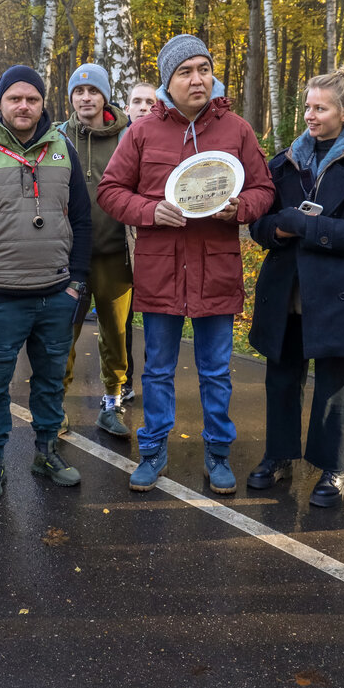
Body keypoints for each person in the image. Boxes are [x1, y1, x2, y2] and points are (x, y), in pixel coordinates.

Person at [99, 35, 274, 495]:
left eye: (203, 68)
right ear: (167, 82)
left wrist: (239, 208)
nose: (197, 79)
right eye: (185, 72)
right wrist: (149, 211)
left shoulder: (236, 129)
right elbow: (110, 190)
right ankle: (153, 449)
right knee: (157, 370)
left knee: (216, 370)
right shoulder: (141, 132)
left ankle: (218, 452)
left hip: (216, 269)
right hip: (160, 271)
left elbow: (264, 190)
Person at [0, 64, 92, 500]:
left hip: (55, 293)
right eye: (15, 98)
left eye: (31, 98)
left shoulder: (63, 148)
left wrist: (76, 283)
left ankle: (47, 451)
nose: (23, 106)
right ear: (0, 103)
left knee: (50, 380)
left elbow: (83, 220)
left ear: (43, 103)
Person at [247, 66, 344, 506]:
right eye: (307, 106)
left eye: (320, 108)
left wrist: (307, 227)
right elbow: (259, 224)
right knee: (281, 378)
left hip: (335, 292)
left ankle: (334, 468)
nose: (310, 115)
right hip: (285, 290)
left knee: (333, 384)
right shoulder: (283, 162)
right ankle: (278, 455)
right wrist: (279, 230)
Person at [57, 63, 132, 437]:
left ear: (104, 96)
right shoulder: (57, 137)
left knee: (115, 332)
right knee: (63, 331)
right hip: (68, 259)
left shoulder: (128, 136)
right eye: (78, 92)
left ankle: (112, 402)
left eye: (93, 92)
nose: (85, 98)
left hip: (115, 254)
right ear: (70, 97)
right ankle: (57, 404)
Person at [120, 79, 158, 401]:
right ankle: (124, 381)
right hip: (119, 246)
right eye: (138, 101)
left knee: (155, 321)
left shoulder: (166, 143)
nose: (144, 107)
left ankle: (156, 382)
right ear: (127, 107)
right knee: (123, 320)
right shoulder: (116, 143)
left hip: (153, 246)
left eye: (150, 102)